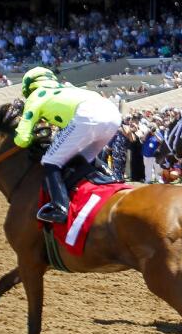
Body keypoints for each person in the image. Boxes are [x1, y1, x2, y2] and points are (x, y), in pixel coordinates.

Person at [14, 67, 123, 224]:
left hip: (87, 115)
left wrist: (24, 135)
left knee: (50, 160)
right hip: (113, 115)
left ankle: (60, 208)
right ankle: (113, 180)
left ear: (29, 86)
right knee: (82, 158)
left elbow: (22, 139)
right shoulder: (67, 87)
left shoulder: (36, 95)